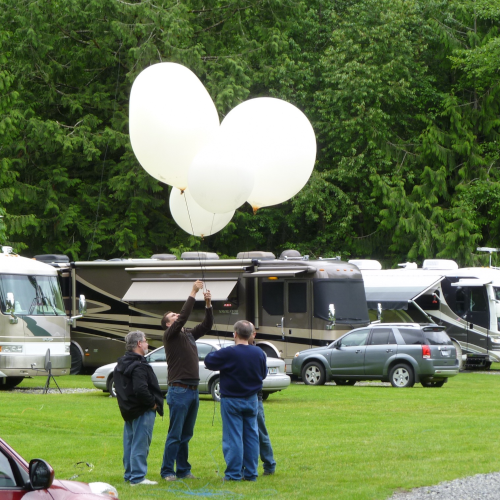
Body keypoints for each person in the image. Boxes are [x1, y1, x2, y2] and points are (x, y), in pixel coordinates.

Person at [160, 280, 213, 481]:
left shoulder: (189, 335)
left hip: (192, 390)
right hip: (179, 390)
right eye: (173, 316)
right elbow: (183, 318)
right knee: (175, 434)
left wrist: (207, 304)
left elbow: (207, 325)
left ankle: (183, 470)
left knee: (186, 435)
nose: (177, 316)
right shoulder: (170, 335)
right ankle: (167, 471)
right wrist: (193, 291)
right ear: (168, 323)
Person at [204, 320, 267, 482]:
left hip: (231, 400)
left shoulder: (228, 353)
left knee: (233, 437)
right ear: (251, 334)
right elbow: (263, 374)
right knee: (251, 435)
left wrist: (221, 352)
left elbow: (209, 361)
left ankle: (233, 473)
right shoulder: (259, 353)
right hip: (252, 399)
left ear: (235, 334)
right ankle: (251, 473)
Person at [114, 330, 164, 486]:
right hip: (142, 409)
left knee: (129, 443)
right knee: (140, 443)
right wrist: (152, 403)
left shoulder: (121, 363)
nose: (147, 343)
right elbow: (141, 389)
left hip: (128, 409)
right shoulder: (139, 364)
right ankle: (138, 477)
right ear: (138, 344)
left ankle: (130, 474)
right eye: (145, 340)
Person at [249, 324, 276, 476]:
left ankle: (269, 464)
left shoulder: (259, 352)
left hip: (255, 398)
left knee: (261, 432)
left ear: (254, 334)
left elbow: (263, 374)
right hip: (242, 399)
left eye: (250, 332)